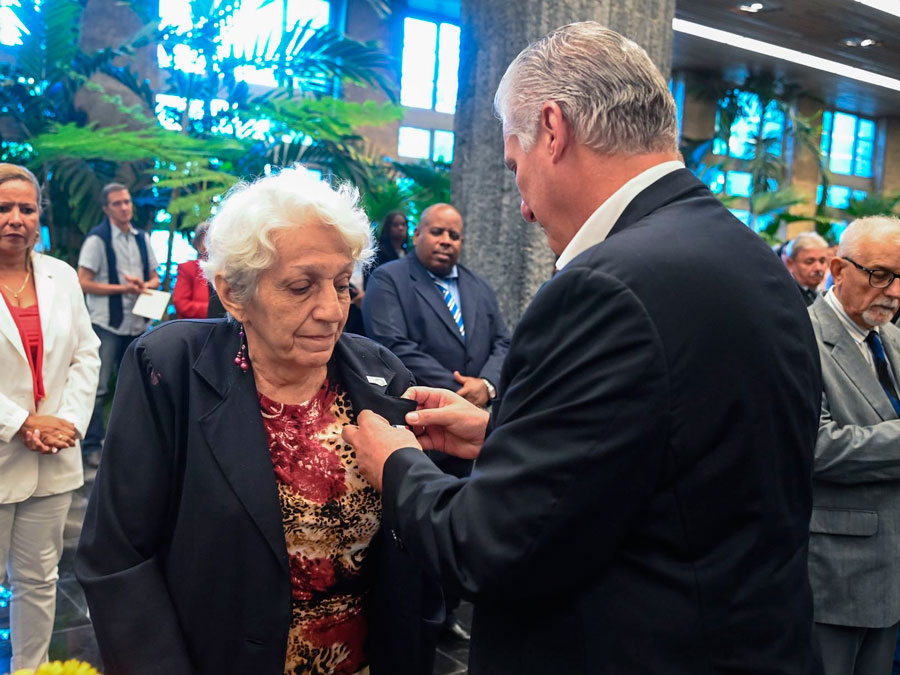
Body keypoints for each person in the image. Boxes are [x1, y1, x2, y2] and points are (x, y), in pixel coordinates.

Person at [344, 22, 823, 675]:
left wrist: (396, 462)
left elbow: (491, 545)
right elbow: (683, 452)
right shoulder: (747, 256)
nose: (522, 208)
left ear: (551, 128)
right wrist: (504, 435)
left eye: (514, 169)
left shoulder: (603, 287)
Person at [75, 166, 440, 675]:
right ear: (233, 293)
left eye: (340, 284)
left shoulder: (380, 375)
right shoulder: (170, 370)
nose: (331, 311)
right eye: (300, 287)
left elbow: (428, 534)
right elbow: (117, 556)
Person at [363, 202, 510, 641]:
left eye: (455, 235)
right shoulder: (389, 279)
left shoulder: (479, 287)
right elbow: (392, 343)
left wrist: (486, 385)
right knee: (416, 528)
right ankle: (418, 616)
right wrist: (457, 387)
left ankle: (448, 612)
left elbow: (504, 341)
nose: (447, 241)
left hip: (473, 424)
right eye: (438, 232)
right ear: (418, 234)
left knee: (462, 521)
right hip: (417, 422)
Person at [0, 164, 100, 670]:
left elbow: (87, 354)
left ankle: (29, 668)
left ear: (40, 216)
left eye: (26, 208)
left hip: (53, 460)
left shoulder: (61, 276)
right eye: (3, 208)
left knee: (40, 580)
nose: (15, 218)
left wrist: (69, 424)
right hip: (2, 451)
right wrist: (22, 422)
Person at [807, 216, 900, 675]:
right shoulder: (801, 337)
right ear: (838, 270)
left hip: (892, 569)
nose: (895, 291)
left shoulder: (894, 338)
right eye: (881, 274)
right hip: (836, 571)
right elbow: (816, 446)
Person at [77, 182, 159, 463]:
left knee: (134, 385)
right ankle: (91, 446)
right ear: (106, 208)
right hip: (106, 325)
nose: (125, 207)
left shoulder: (141, 237)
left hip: (136, 322)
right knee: (98, 387)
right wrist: (123, 289)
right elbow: (83, 282)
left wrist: (144, 285)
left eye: (127, 201)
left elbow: (155, 278)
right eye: (117, 203)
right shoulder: (97, 240)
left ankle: (127, 443)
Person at [171, 221, 210, 319]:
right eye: (207, 240)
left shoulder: (228, 269)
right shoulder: (188, 269)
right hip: (195, 328)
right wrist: (216, 310)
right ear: (198, 245)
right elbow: (182, 305)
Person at [363, 211, 409, 288]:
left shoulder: (406, 253)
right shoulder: (379, 252)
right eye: (396, 225)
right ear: (388, 228)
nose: (401, 228)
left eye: (403, 224)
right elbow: (371, 278)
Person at [785, 231, 830, 306]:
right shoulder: (786, 296)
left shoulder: (817, 294)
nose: (818, 268)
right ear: (790, 263)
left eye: (822, 261)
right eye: (809, 262)